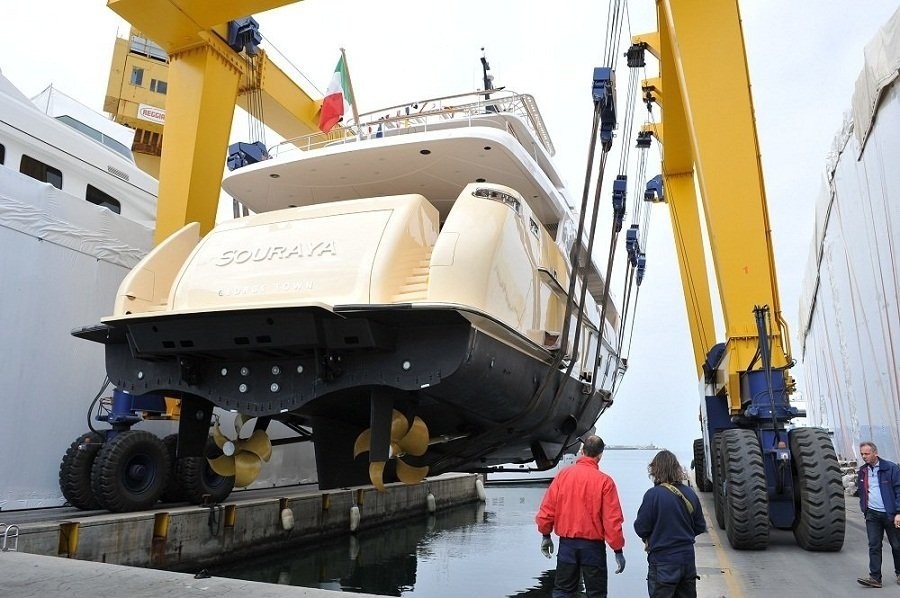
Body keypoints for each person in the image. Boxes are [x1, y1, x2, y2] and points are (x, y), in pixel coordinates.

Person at [535, 435, 626, 598]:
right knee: (596, 594)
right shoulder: (605, 482)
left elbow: (547, 509)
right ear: (600, 455)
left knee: (563, 592)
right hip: (593, 548)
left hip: (567, 545)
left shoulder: (563, 476)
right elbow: (612, 521)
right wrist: (617, 550)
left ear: (582, 451)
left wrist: (546, 535)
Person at [633, 449, 706, 598]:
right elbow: (700, 526)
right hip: (687, 560)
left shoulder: (653, 495)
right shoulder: (690, 493)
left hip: (663, 562)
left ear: (655, 471)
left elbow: (641, 528)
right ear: (676, 469)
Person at [855, 441, 900, 588]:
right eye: (862, 454)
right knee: (874, 545)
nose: (864, 456)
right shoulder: (863, 471)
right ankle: (875, 578)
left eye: (867, 454)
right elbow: (862, 491)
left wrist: (898, 512)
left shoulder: (891, 468)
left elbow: (899, 490)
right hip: (872, 515)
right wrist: (865, 509)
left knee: (897, 545)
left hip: (891, 514)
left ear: (875, 453)